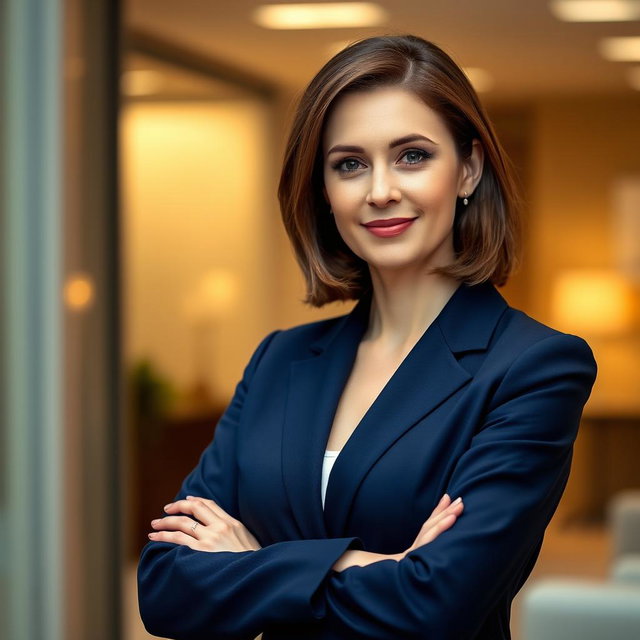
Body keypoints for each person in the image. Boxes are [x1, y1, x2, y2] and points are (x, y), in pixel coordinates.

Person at [137, 34, 597, 640]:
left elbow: (439, 603)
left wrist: (250, 564)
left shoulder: (534, 367)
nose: (380, 190)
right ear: (325, 194)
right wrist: (378, 566)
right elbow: (165, 586)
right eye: (349, 164)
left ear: (469, 170)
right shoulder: (279, 359)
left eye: (412, 156)